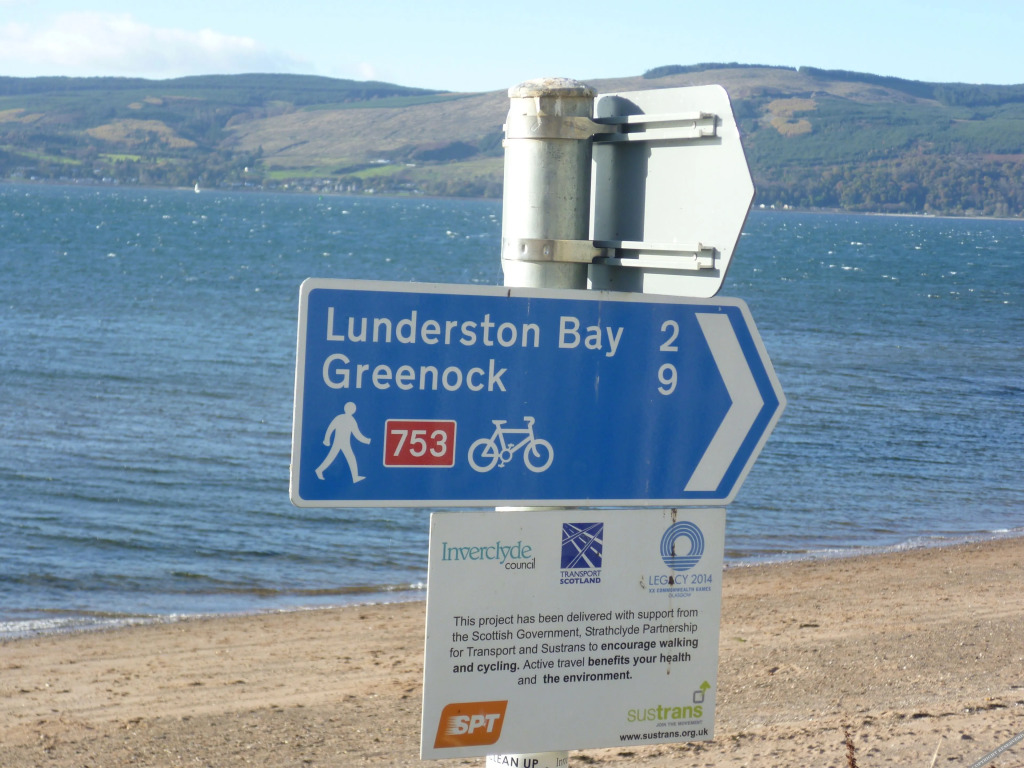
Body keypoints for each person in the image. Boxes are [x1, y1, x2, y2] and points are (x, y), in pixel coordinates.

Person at [315, 402, 371, 483]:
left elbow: (356, 434)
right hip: (340, 442)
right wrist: (326, 439)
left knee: (345, 457)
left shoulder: (346, 419)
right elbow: (331, 428)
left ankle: (355, 477)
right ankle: (319, 470)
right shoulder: (345, 419)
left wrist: (366, 440)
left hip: (344, 443)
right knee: (335, 457)